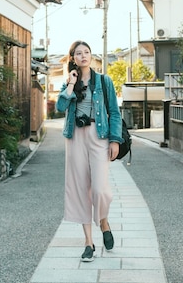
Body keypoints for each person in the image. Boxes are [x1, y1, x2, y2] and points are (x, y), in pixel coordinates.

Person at [55, 40, 123, 262]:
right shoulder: (69, 82)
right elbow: (60, 108)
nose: (83, 56)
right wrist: (71, 85)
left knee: (100, 190)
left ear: (91, 56)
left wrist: (115, 140)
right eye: (78, 53)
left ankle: (103, 221)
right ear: (73, 58)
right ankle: (88, 242)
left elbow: (114, 111)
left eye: (86, 52)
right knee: (79, 188)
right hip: (75, 136)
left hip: (99, 135)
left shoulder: (104, 81)